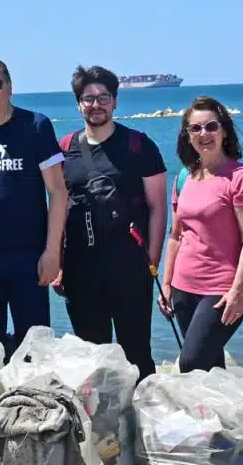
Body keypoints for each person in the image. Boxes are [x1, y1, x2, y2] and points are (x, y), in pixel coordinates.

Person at [55, 65, 167, 379]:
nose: (96, 104)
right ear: (79, 104)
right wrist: (58, 263)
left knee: (137, 354)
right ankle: (102, 424)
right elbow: (59, 209)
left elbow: (158, 207)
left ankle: (141, 421)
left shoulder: (139, 146)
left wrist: (153, 261)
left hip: (130, 265)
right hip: (81, 268)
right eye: (88, 98)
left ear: (115, 102)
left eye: (104, 97)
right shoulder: (65, 149)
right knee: (92, 357)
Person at [0, 59, 69, 359]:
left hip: (29, 258)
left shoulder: (36, 125)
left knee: (36, 350)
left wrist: (52, 252)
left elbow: (57, 192)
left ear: (9, 87)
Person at [159, 96, 243, 373]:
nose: (204, 134)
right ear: (188, 135)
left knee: (191, 362)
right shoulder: (184, 177)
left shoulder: (241, 178)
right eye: (196, 128)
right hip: (183, 287)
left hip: (221, 290)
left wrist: (238, 292)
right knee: (209, 370)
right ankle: (214, 416)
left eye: (211, 126)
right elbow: (176, 235)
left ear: (224, 131)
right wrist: (167, 283)